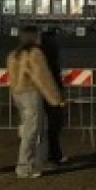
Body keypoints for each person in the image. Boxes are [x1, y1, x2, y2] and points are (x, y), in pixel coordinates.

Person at [6, 26, 64, 178]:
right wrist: (56, 99)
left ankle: (37, 162)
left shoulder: (14, 54)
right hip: (31, 93)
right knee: (32, 131)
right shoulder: (35, 54)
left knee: (35, 128)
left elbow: (11, 77)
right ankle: (25, 166)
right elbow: (43, 78)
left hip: (18, 93)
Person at [40, 27, 68, 168]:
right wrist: (58, 97)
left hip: (46, 96)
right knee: (53, 127)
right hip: (50, 96)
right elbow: (51, 80)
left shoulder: (45, 56)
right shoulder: (50, 59)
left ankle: (55, 154)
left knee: (52, 127)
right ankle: (53, 155)